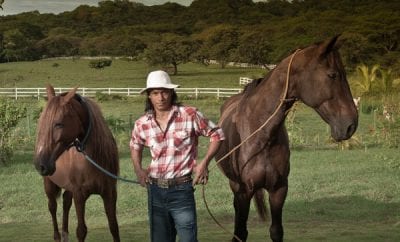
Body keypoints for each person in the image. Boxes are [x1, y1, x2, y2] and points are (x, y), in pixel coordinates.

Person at [130, 70, 225, 242]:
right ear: (149, 96)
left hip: (181, 189)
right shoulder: (141, 124)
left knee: (188, 239)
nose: (161, 97)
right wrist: (138, 169)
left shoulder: (189, 114)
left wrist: (204, 163)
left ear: (172, 93)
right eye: (155, 93)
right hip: (155, 190)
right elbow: (135, 145)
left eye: (164, 92)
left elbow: (217, 134)